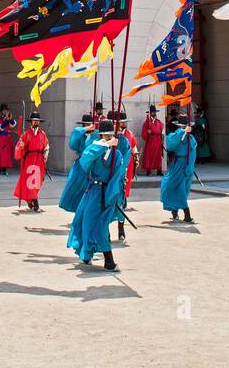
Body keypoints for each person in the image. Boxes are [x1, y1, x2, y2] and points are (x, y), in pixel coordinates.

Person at [67, 118, 130, 272]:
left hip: (108, 193)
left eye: (109, 136)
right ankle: (87, 255)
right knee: (85, 222)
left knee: (100, 226)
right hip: (92, 191)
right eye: (104, 136)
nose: (107, 138)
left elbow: (118, 176)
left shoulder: (118, 155)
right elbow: (85, 160)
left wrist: (113, 195)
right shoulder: (94, 149)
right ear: (101, 135)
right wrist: (105, 145)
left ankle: (108, 261)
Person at [160, 120, 197, 222]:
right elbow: (171, 145)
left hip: (185, 166)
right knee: (168, 185)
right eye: (181, 127)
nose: (182, 128)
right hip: (176, 165)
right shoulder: (176, 135)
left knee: (182, 190)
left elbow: (193, 155)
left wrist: (189, 168)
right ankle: (174, 210)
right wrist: (183, 132)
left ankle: (187, 214)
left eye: (184, 127)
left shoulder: (191, 139)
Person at [13, 109, 50, 210]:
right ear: (31, 122)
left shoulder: (43, 134)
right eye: (34, 120)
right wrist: (21, 146)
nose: (36, 122)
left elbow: (46, 146)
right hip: (29, 159)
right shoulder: (26, 134)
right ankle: (33, 200)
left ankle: (32, 199)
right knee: (29, 181)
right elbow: (20, 146)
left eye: (37, 121)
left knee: (37, 181)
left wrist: (45, 155)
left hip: (39, 159)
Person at [58, 113, 95, 212]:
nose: (88, 126)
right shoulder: (79, 134)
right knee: (76, 187)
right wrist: (86, 129)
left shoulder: (95, 135)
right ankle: (78, 210)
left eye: (89, 124)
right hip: (80, 165)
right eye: (85, 125)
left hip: (93, 165)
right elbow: (73, 140)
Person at [114, 110, 139, 242]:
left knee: (124, 189)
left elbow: (134, 146)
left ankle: (121, 230)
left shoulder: (129, 134)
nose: (123, 124)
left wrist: (136, 156)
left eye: (125, 122)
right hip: (114, 168)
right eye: (121, 122)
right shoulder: (112, 136)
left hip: (127, 165)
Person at [140, 104, 165, 177]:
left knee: (158, 155)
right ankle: (149, 170)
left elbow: (162, 132)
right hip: (151, 140)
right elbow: (144, 133)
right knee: (149, 155)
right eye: (152, 112)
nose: (154, 113)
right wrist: (147, 131)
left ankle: (159, 170)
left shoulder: (159, 122)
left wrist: (162, 139)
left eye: (155, 112)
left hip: (158, 140)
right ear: (150, 113)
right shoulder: (147, 122)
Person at [0, 105, 16, 175]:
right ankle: (2, 168)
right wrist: (6, 119)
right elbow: (1, 127)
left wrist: (9, 119)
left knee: (7, 154)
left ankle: (5, 167)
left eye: (6, 110)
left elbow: (13, 124)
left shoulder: (9, 118)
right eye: (3, 110)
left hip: (8, 138)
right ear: (1, 112)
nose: (5, 112)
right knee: (2, 153)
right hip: (2, 138)